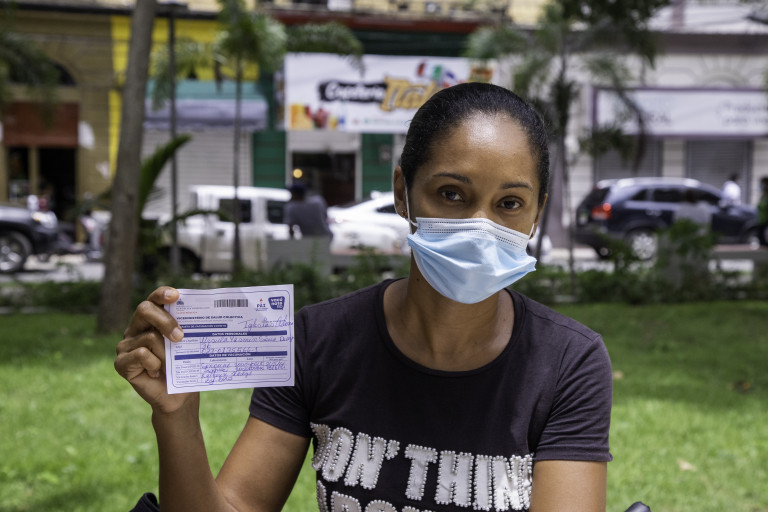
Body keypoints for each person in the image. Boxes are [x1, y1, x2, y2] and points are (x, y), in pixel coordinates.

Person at [115, 83, 613, 512]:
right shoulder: (317, 341)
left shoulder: (568, 363)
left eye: (509, 203)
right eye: (451, 194)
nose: (479, 226)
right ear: (402, 192)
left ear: (536, 214)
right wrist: (176, 419)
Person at [757, 176, 768, 247]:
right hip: (761, 222)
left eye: (763, 184)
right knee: (762, 244)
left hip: (766, 223)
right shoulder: (763, 196)